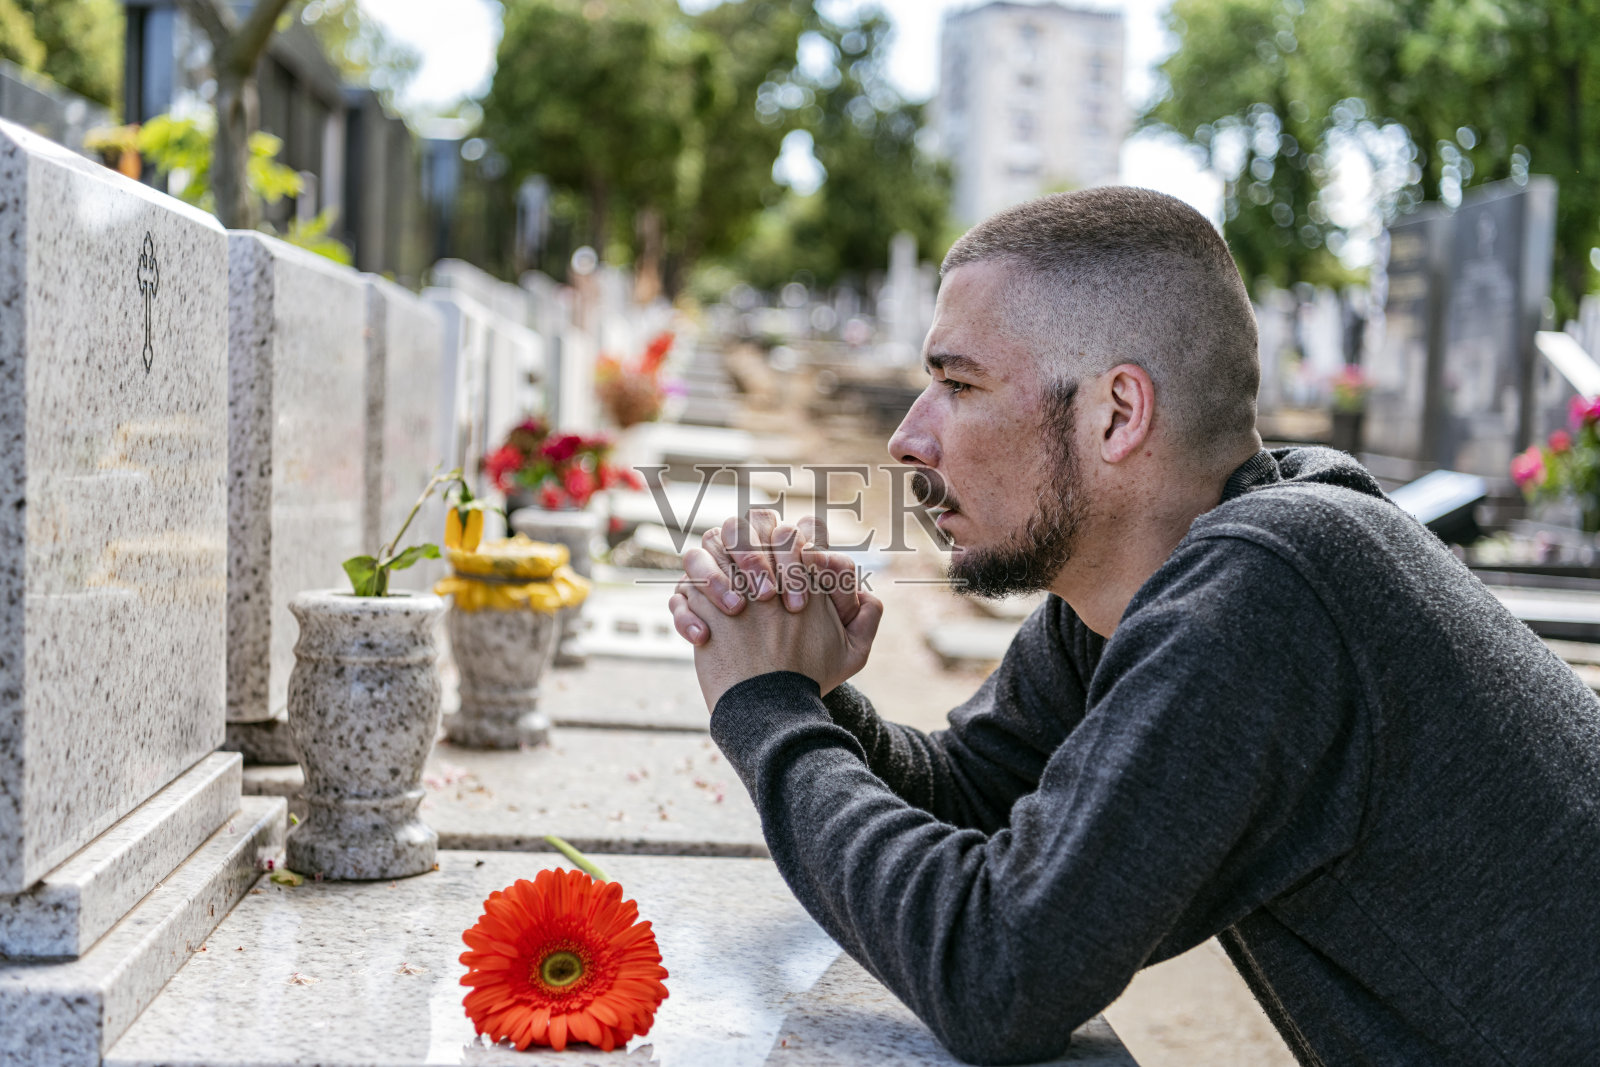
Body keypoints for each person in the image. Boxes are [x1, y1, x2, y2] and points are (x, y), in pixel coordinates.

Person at [665, 187, 1600, 1066]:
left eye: (959, 383)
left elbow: (999, 973)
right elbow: (976, 794)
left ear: (1118, 413)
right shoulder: (1141, 584)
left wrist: (770, 708)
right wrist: (821, 693)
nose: (908, 436)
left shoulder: (1270, 588)